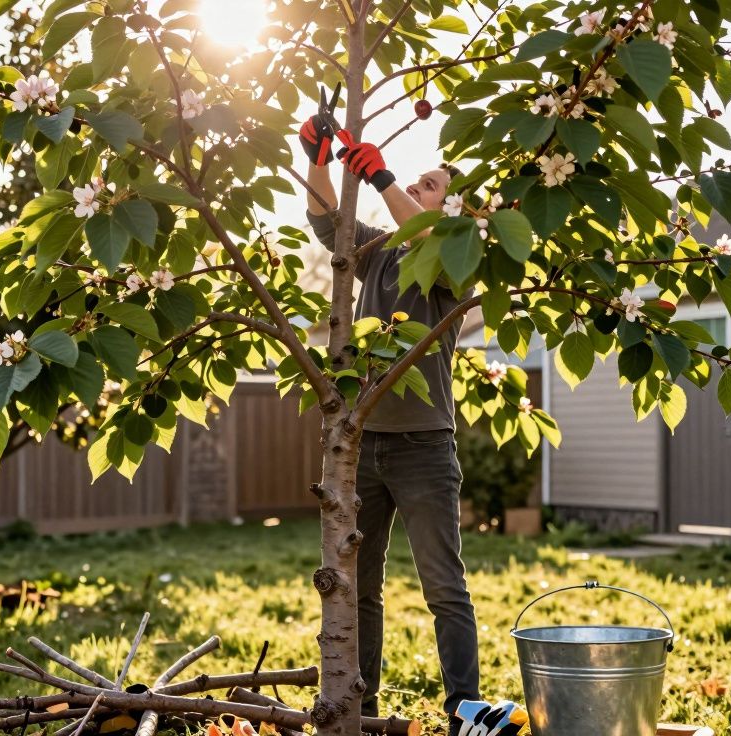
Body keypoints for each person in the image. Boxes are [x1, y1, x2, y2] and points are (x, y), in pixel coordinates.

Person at [300, 111, 479, 736]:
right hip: (362, 446)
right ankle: (363, 714)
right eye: (418, 181)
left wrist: (382, 175)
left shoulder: (453, 265)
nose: (419, 188)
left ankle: (464, 714)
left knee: (443, 588)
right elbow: (326, 222)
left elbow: (429, 229)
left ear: (453, 212)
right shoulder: (376, 251)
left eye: (431, 184)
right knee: (359, 589)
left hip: (425, 447)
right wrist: (318, 156)